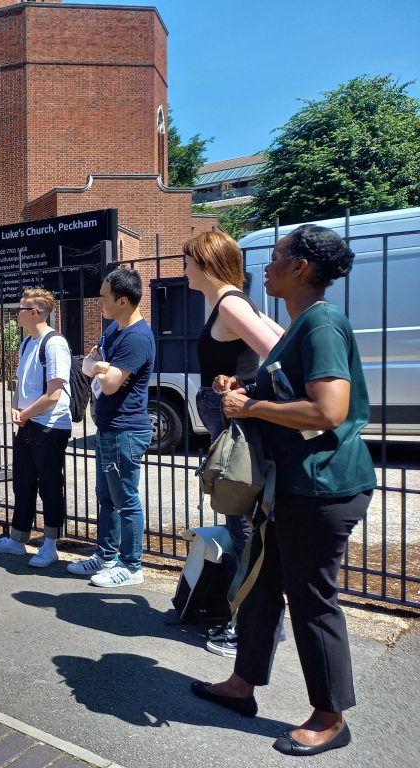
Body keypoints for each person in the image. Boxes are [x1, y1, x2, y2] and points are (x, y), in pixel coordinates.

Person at [190, 225, 375, 757]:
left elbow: (328, 410)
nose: (263, 268)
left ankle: (330, 715)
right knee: (262, 583)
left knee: (313, 601)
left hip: (324, 488)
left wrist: (252, 408)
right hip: (293, 485)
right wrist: (241, 387)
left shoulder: (321, 323)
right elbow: (289, 390)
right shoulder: (299, 326)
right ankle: (242, 683)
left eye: (274, 258)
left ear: (299, 269)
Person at [183, 230, 284, 656]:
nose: (183, 268)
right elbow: (285, 339)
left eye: (187, 261)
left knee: (241, 524)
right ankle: (251, 622)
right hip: (231, 418)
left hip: (236, 423)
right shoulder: (232, 301)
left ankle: (251, 629)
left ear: (204, 263)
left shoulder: (228, 302)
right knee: (240, 522)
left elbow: (280, 349)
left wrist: (248, 389)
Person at [67, 269, 155, 587]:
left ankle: (132, 566)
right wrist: (100, 366)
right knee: (106, 496)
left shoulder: (136, 337)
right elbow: (87, 365)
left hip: (125, 431)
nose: (99, 302)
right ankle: (105, 556)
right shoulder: (115, 329)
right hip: (108, 428)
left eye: (104, 297)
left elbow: (111, 382)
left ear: (122, 300)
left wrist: (99, 367)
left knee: (126, 499)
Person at [0, 288, 72, 566]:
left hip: (49, 425)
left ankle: (50, 544)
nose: (16, 312)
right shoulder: (27, 343)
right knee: (23, 482)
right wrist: (16, 407)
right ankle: (17, 539)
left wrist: (26, 414)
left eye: (21, 308)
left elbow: (55, 393)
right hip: (28, 423)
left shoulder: (54, 343)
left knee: (49, 484)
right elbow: (19, 383)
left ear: (34, 312)